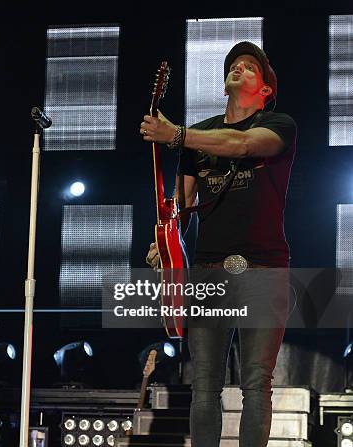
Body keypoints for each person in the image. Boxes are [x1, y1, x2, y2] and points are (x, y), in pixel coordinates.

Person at [141, 41, 296, 447]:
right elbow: (181, 205)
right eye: (234, 65)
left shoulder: (279, 125)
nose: (239, 69)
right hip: (209, 268)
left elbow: (241, 145)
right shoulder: (198, 135)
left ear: (264, 89)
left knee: (255, 383)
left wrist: (177, 134)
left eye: (249, 67)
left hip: (264, 267)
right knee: (204, 383)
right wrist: (166, 242)